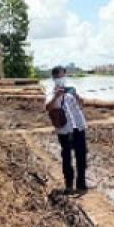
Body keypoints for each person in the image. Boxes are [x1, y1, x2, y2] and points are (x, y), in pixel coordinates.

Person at [45, 66, 88, 194]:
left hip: (78, 125)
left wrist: (78, 97)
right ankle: (68, 185)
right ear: (53, 78)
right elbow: (48, 107)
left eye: (63, 76)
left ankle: (81, 183)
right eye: (58, 77)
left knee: (81, 155)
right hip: (64, 128)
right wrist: (56, 96)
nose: (61, 79)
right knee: (67, 156)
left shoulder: (72, 88)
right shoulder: (50, 90)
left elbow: (81, 104)